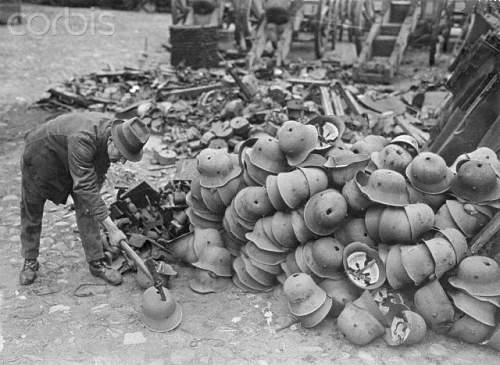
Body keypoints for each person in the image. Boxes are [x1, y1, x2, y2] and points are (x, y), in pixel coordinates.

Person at [19, 112, 150, 286]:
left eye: (127, 158)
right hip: (41, 157)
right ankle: (29, 260)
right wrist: (112, 229)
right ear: (112, 141)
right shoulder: (84, 138)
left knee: (88, 209)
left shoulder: (113, 136)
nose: (122, 162)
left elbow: (93, 186)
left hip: (73, 156)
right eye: (122, 155)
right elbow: (84, 186)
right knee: (32, 208)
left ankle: (96, 263)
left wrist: (99, 209)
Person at [247, 0, 303, 67]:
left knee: (260, 40)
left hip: (270, 16)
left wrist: (261, 12)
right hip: (281, 17)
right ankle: (278, 64)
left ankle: (252, 61)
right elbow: (298, 4)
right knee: (283, 41)